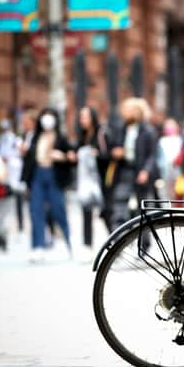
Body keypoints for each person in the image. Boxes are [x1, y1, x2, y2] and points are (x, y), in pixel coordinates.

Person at [21, 108, 74, 262]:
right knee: (35, 210)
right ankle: (38, 246)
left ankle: (68, 242)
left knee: (58, 209)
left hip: (54, 175)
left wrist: (62, 156)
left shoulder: (61, 137)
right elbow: (30, 158)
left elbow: (70, 156)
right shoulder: (36, 136)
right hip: (37, 175)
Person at [109, 98, 158, 229]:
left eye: (127, 110)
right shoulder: (121, 128)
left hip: (141, 172)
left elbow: (152, 155)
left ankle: (145, 242)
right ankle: (119, 238)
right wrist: (115, 152)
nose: (124, 113)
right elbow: (112, 146)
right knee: (119, 203)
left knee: (144, 207)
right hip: (124, 170)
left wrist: (146, 171)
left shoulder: (148, 131)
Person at [75, 106, 110, 262]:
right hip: (86, 181)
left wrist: (97, 154)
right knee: (86, 211)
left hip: (101, 180)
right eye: (81, 117)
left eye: (85, 117)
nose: (82, 120)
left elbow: (108, 155)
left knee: (105, 212)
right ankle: (87, 246)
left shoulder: (101, 133)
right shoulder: (82, 135)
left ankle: (117, 242)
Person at [0, 116, 22, 250]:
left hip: (11, 182)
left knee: (8, 210)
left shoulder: (16, 142)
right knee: (0, 209)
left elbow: (19, 161)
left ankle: (2, 231)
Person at [156, 118, 183, 200]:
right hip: (165, 172)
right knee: (165, 193)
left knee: (178, 193)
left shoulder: (181, 140)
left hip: (178, 171)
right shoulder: (162, 141)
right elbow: (159, 158)